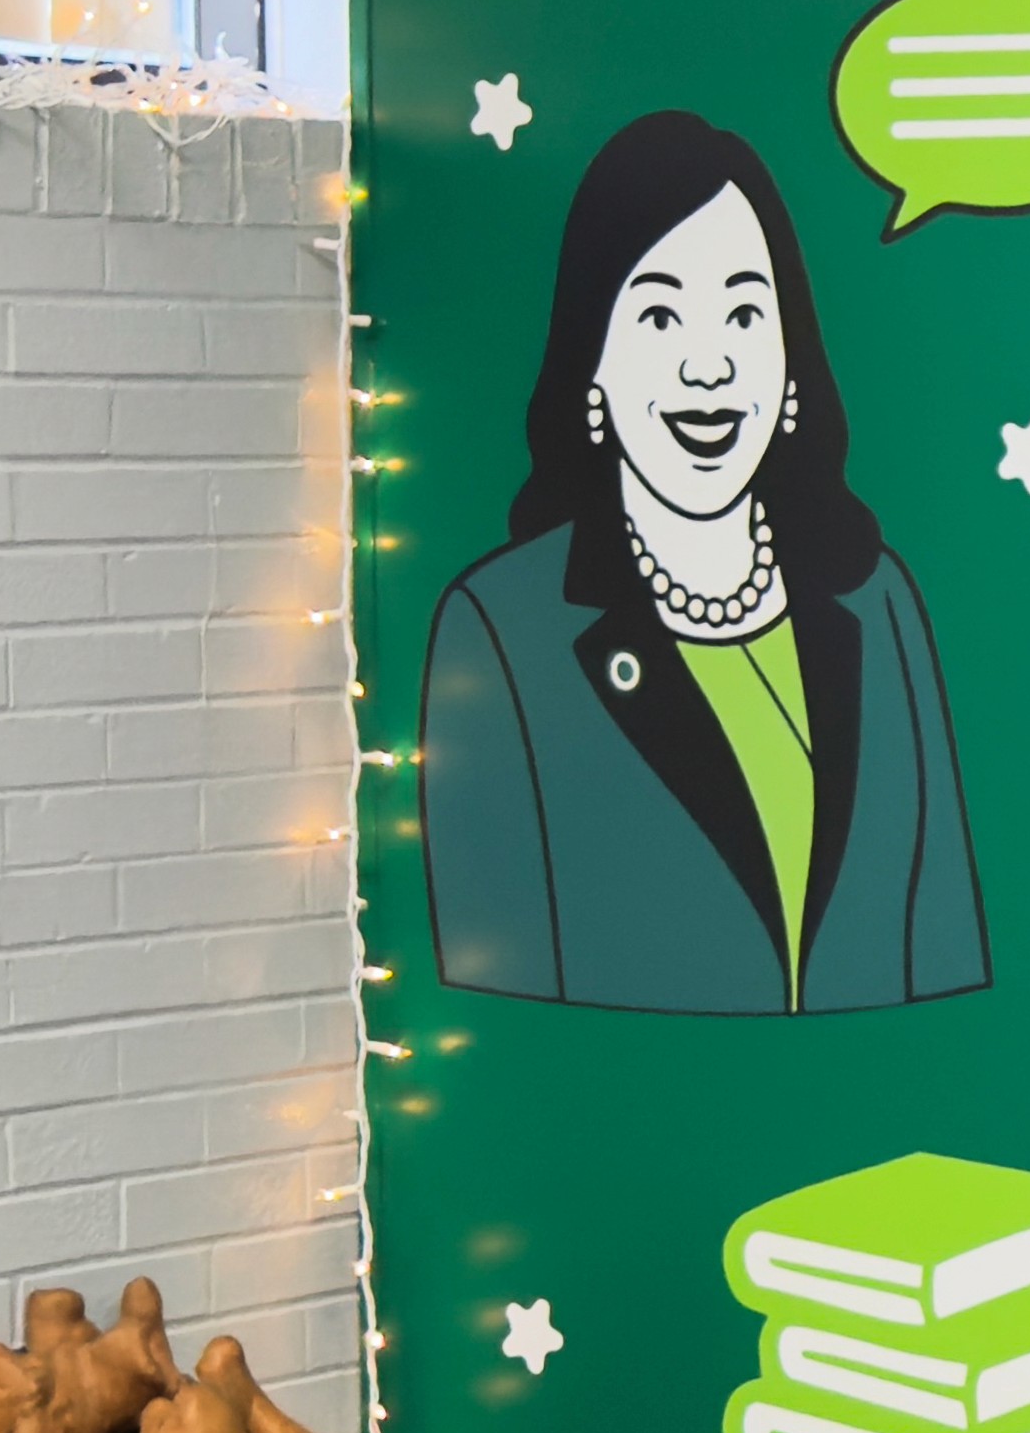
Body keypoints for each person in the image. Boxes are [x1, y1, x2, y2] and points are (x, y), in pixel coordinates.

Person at [418, 112, 984, 1016]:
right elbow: (494, 986)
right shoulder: (501, 626)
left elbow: (941, 939)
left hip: (884, 1093)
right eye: (659, 315)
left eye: (744, 313)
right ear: (593, 367)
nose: (708, 365)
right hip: (635, 1100)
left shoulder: (875, 595)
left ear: (790, 364)